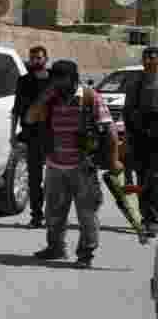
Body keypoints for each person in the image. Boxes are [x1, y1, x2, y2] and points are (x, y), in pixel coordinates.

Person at [25, 59, 121, 268]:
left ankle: (85, 254)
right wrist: (43, 97)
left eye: (62, 78)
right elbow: (30, 118)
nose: (57, 82)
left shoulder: (90, 97)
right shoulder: (50, 98)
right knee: (53, 213)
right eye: (55, 78)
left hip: (83, 167)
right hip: (55, 165)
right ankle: (56, 248)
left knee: (87, 214)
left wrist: (113, 160)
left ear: (72, 78)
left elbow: (110, 130)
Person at [11, 45, 51, 228]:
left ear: (46, 59)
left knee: (54, 179)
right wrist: (12, 134)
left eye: (39, 58)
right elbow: (16, 109)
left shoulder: (54, 80)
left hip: (52, 135)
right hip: (32, 136)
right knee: (34, 179)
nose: (36, 61)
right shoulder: (24, 81)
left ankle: (53, 215)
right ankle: (37, 215)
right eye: (33, 58)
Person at [123, 46, 158, 235]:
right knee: (143, 178)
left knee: (155, 178)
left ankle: (152, 218)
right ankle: (148, 218)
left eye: (152, 57)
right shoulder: (135, 83)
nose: (148, 61)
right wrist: (128, 136)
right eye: (146, 57)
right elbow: (127, 112)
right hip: (140, 137)